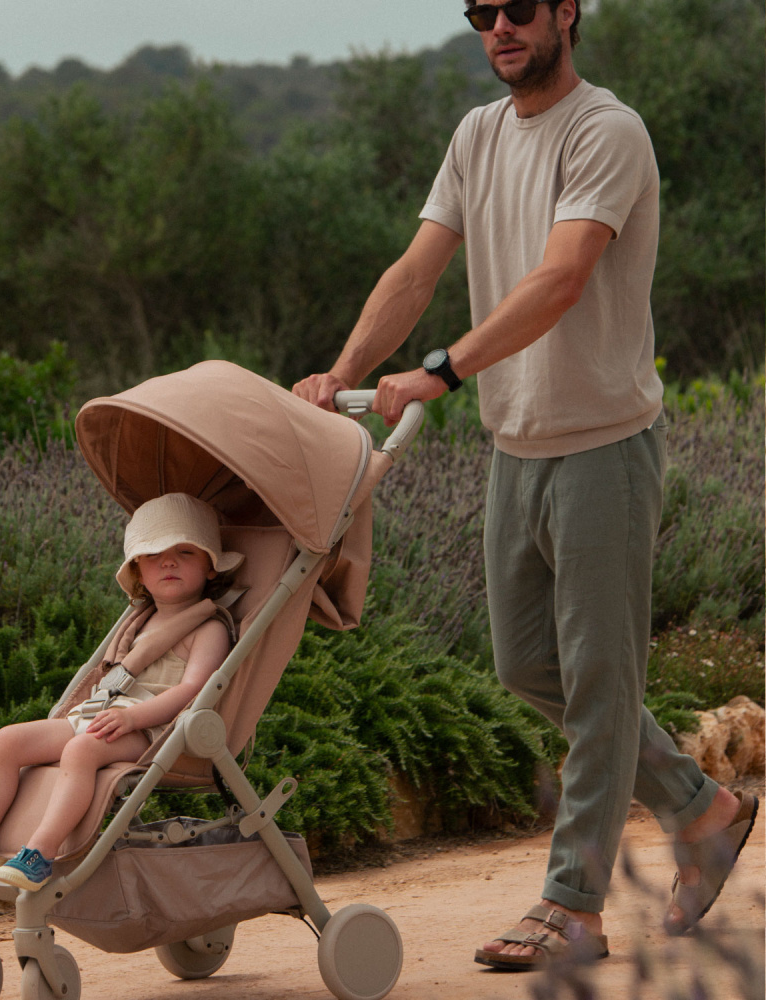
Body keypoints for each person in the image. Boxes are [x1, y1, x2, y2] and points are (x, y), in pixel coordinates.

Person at [293, 0, 757, 971]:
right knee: (526, 668)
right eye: (479, 12)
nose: (497, 26)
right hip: (517, 446)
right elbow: (416, 270)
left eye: (515, 8)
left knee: (597, 684)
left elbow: (561, 277)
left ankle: (572, 905)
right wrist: (341, 372)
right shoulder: (476, 135)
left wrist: (442, 369)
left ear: (566, 12)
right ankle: (698, 807)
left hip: (603, 449)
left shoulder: (606, 131)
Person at [0, 492, 243, 892]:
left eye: (185, 552)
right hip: (102, 712)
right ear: (138, 572)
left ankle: (40, 852)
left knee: (82, 750)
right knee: (8, 740)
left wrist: (132, 718)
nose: (168, 562)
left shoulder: (209, 628)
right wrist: (110, 712)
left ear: (210, 568)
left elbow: (193, 690)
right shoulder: (140, 622)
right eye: (154, 555)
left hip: (154, 730)